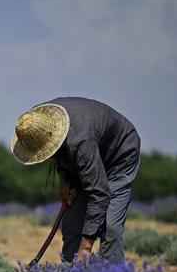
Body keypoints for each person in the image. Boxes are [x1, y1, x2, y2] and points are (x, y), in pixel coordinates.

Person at [11, 97, 141, 263]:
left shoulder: (80, 141)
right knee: (72, 224)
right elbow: (56, 150)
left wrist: (86, 247)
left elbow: (99, 192)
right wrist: (63, 179)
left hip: (119, 156)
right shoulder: (34, 121)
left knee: (111, 228)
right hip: (88, 155)